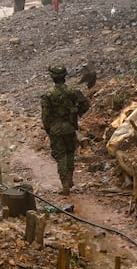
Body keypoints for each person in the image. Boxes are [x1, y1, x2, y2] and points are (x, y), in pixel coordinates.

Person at [40, 65, 89, 196]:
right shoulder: (73, 91)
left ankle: (65, 185)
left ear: (52, 77)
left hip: (56, 130)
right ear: (64, 76)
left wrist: (48, 129)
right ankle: (70, 179)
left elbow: (45, 115)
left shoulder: (48, 95)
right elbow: (85, 104)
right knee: (70, 152)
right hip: (70, 127)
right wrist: (76, 112)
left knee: (60, 155)